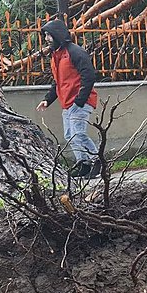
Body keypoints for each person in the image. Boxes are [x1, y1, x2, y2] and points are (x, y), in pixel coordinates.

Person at [35, 19, 101, 179]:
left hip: (80, 102)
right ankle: (83, 165)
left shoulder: (75, 51)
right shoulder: (55, 56)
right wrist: (47, 100)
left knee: (78, 133)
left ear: (57, 34)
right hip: (67, 103)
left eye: (49, 35)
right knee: (70, 135)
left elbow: (89, 75)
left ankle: (98, 162)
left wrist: (80, 99)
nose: (46, 38)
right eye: (45, 35)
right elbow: (57, 81)